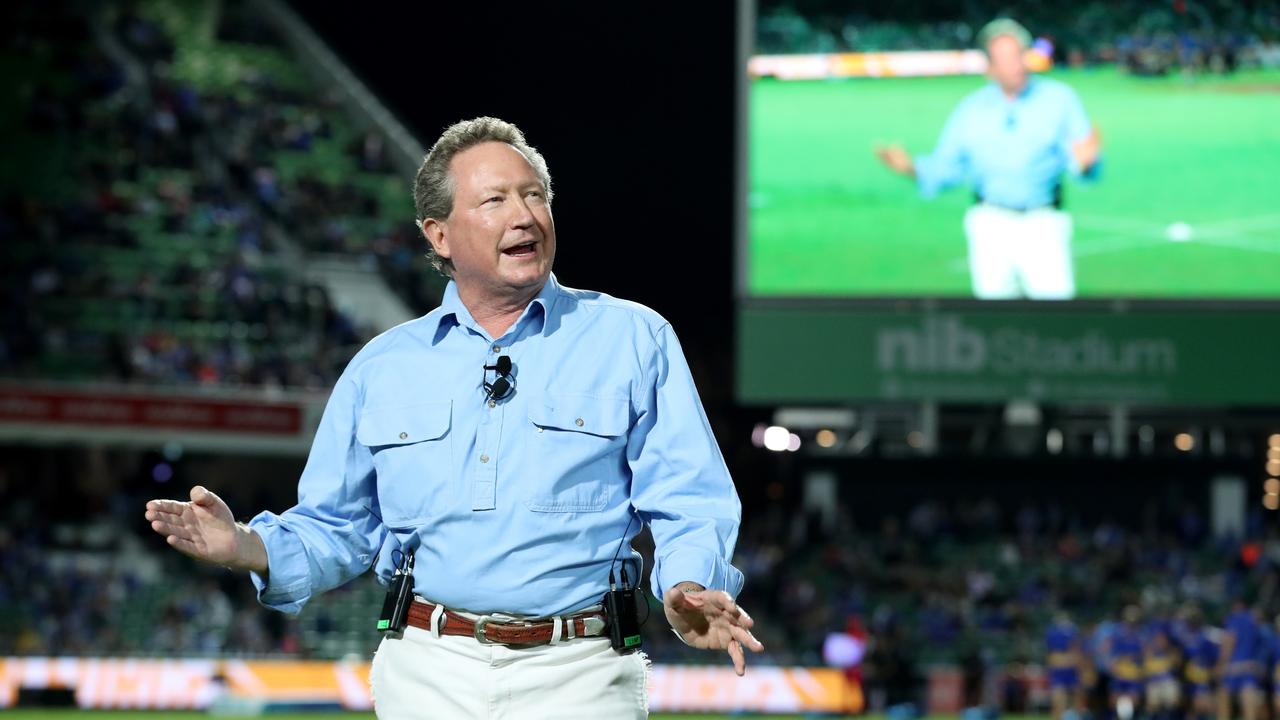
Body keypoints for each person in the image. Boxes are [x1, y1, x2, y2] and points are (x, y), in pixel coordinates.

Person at [144, 116, 763, 718]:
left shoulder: (634, 337)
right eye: (495, 200)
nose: (525, 216)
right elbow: (339, 526)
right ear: (439, 236)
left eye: (535, 196)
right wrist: (246, 545)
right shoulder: (380, 366)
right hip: (425, 672)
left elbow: (689, 495)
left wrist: (686, 585)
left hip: (584, 671)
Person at [874, 18, 1102, 300]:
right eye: (1005, 59)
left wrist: (1087, 162)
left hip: (1044, 223)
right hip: (990, 223)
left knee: (1054, 313)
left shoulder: (1059, 99)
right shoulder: (971, 109)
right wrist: (912, 169)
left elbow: (1083, 160)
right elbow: (948, 166)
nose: (1015, 65)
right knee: (992, 317)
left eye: (1018, 55)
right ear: (990, 67)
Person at [1217, 600, 1263, 720]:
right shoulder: (1253, 621)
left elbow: (1229, 641)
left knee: (1224, 699)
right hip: (1250, 666)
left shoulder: (1233, 619)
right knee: (1249, 705)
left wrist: (1221, 664)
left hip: (1234, 666)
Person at [1045, 611, 1085, 720]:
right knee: (1058, 704)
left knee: (1077, 702)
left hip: (1071, 671)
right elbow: (1052, 657)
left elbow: (1077, 653)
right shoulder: (1053, 633)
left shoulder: (1073, 632)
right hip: (1059, 672)